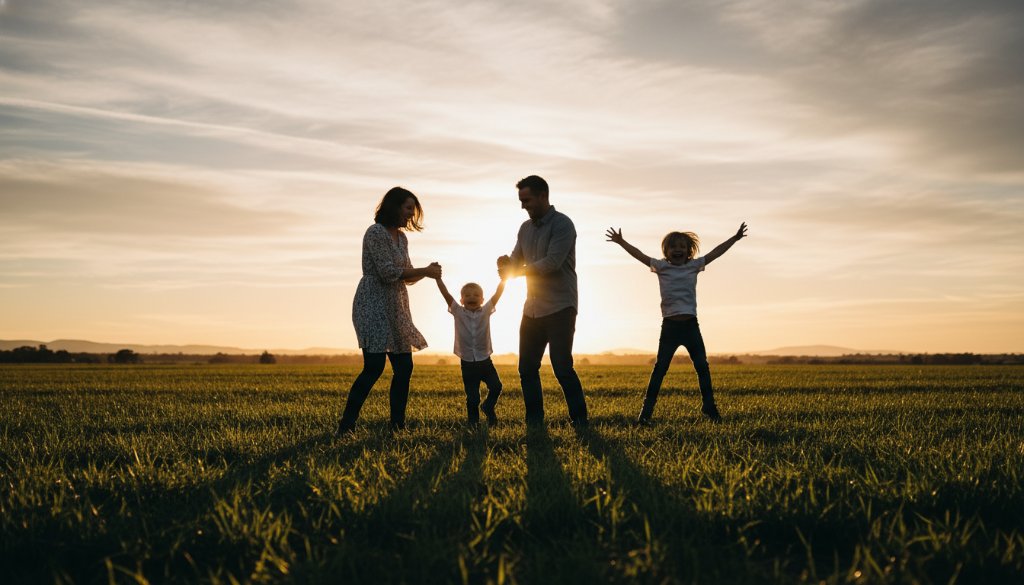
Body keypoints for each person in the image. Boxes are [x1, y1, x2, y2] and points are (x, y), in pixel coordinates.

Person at [605, 222, 747, 424]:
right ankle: (646, 412)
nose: (677, 250)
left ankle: (709, 406)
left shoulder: (694, 266)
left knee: (702, 367)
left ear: (689, 251)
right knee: (660, 369)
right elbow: (639, 255)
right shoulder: (661, 267)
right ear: (666, 251)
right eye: (673, 247)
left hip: (691, 326)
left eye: (682, 247)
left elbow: (716, 253)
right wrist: (621, 242)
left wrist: (734, 238)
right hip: (670, 327)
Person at [336, 187, 442, 435]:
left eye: (413, 211)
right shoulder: (375, 233)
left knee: (404, 368)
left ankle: (397, 427)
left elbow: (406, 274)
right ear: (394, 207)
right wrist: (422, 271)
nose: (410, 215)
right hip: (373, 302)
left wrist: (427, 273)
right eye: (408, 209)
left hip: (396, 305)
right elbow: (386, 272)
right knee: (373, 367)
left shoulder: (402, 238)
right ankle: (346, 426)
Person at [497, 175, 589, 428]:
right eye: (521, 201)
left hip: (561, 307)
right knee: (526, 369)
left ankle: (580, 420)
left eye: (527, 200)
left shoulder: (563, 225)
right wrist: (506, 264)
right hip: (532, 309)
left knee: (562, 367)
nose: (523, 206)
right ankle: (535, 422)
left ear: (542, 196)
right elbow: (517, 259)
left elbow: (551, 264)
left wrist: (516, 271)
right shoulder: (524, 229)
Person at [434, 272, 508, 425]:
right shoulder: (458, 311)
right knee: (472, 397)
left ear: (482, 299)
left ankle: (488, 406)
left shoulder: (486, 310)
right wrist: (438, 279)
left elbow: (497, 294)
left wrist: (504, 279)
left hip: (485, 360)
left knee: (496, 386)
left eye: (476, 295)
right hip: (467, 362)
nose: (471, 297)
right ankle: (473, 424)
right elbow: (445, 294)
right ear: (461, 300)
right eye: (467, 295)